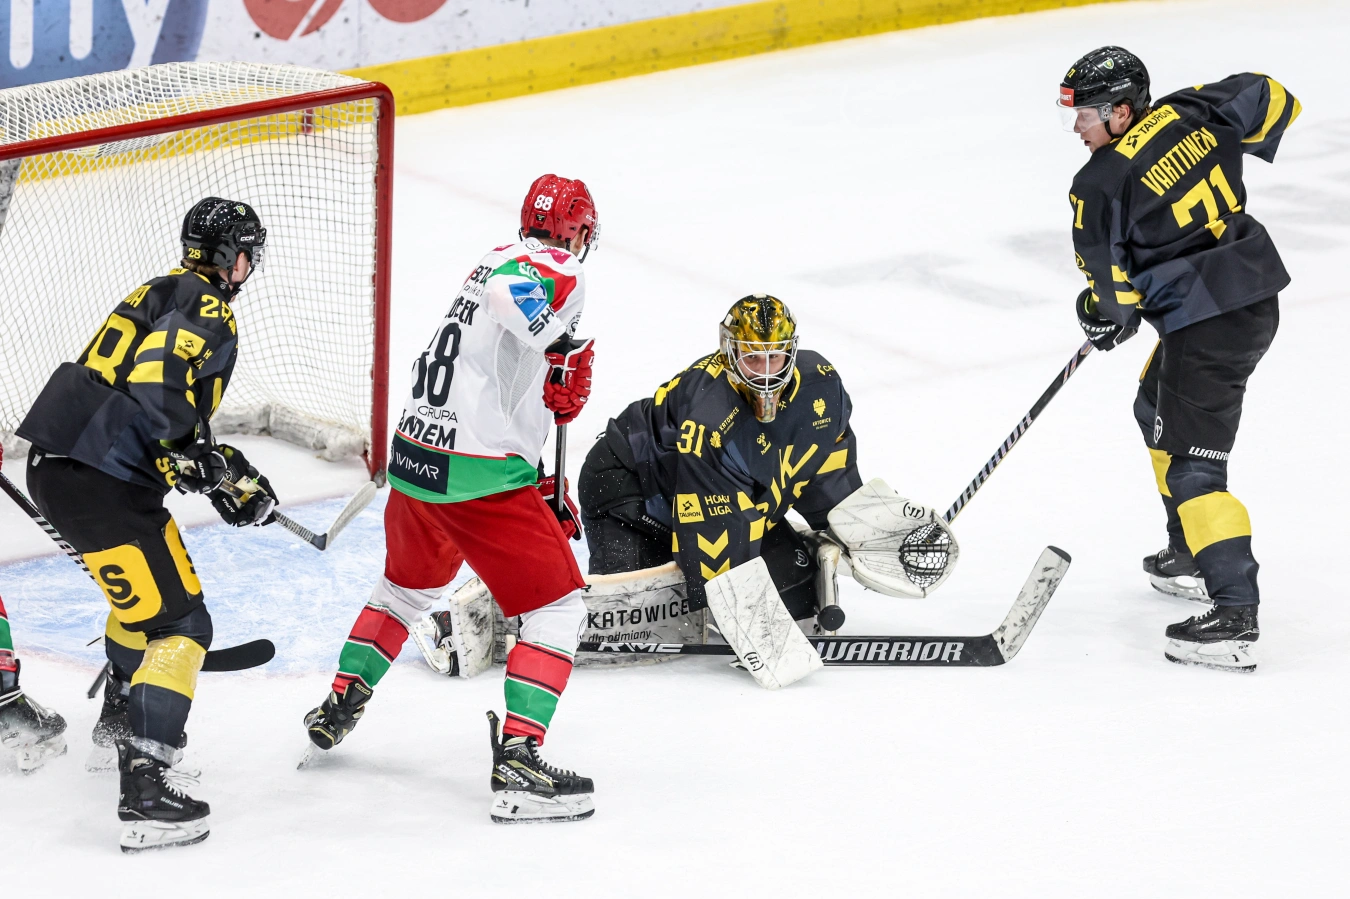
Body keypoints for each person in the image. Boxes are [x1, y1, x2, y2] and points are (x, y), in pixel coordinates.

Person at [305, 174, 601, 824]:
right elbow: (512, 297)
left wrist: (540, 475)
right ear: (579, 232)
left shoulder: (492, 255)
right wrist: (561, 344)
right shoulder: (557, 266)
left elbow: (493, 375)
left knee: (403, 592)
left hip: (417, 461)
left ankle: (341, 700)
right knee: (556, 608)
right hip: (475, 476)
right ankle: (520, 759)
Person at [15, 198, 277, 849]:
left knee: (140, 603)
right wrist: (194, 453)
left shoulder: (160, 288)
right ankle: (146, 788)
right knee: (182, 625)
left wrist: (213, 465)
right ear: (233, 257)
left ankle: (117, 728)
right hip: (102, 479)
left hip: (58, 466)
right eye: (247, 253)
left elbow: (141, 396)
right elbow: (160, 379)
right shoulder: (210, 305)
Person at [1057, 47, 1299, 671]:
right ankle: (1189, 549)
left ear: (1121, 111)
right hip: (1252, 294)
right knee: (1152, 405)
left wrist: (1101, 315)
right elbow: (1271, 95)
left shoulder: (1098, 184)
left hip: (1206, 327)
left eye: (1085, 114)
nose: (1077, 127)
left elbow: (1116, 300)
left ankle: (1234, 615)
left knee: (1194, 466)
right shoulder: (1191, 110)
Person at [578, 294, 862, 621]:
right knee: (633, 618)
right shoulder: (711, 415)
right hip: (632, 491)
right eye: (752, 358)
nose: (765, 374)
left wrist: (855, 528)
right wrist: (740, 607)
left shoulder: (820, 384)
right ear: (730, 352)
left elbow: (826, 467)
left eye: (774, 357)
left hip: (719, 495)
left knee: (797, 593)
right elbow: (713, 533)